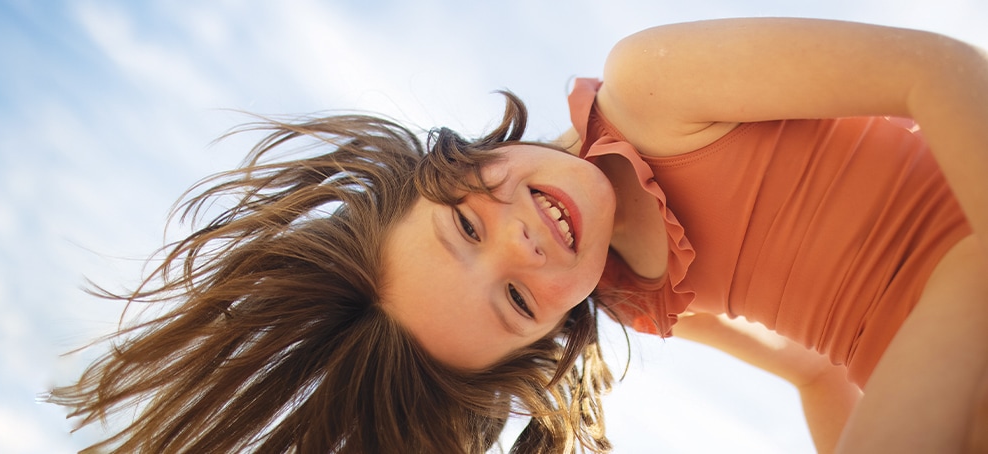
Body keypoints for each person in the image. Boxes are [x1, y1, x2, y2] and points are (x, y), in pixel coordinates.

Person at [51, 17, 988, 453]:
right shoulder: (638, 297)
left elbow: (944, 72)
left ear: (442, 168)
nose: (525, 250)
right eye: (512, 301)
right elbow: (817, 373)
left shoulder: (655, 90)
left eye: (465, 223)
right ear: (543, 338)